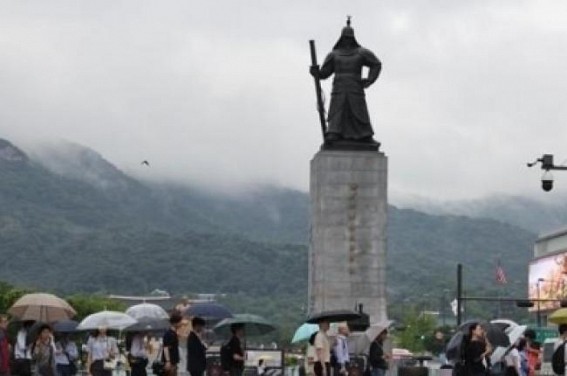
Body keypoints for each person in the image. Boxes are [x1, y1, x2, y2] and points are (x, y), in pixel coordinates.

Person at [309, 17, 382, 147]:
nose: (347, 40)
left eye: (349, 38)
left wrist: (370, 80)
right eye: (345, 38)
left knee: (359, 111)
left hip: (355, 86)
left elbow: (376, 64)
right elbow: (325, 73)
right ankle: (334, 133)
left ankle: (365, 135)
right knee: (338, 110)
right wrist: (316, 72)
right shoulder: (334, 54)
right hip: (339, 87)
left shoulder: (361, 52)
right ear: (341, 38)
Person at [163, 312, 183, 376]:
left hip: (173, 363)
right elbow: (166, 348)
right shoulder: (170, 334)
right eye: (180, 322)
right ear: (175, 322)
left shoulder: (173, 333)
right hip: (171, 363)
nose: (181, 324)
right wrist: (168, 361)